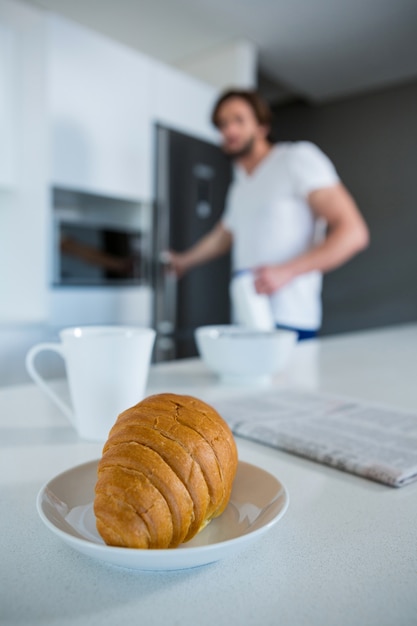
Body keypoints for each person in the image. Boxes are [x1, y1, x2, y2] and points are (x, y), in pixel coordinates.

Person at [168, 89, 369, 340]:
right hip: (246, 320)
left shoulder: (296, 159)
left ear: (262, 126)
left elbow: (353, 232)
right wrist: (182, 262)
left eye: (238, 120)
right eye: (222, 124)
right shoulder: (240, 186)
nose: (229, 131)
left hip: (291, 321)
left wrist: (287, 271)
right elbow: (222, 237)